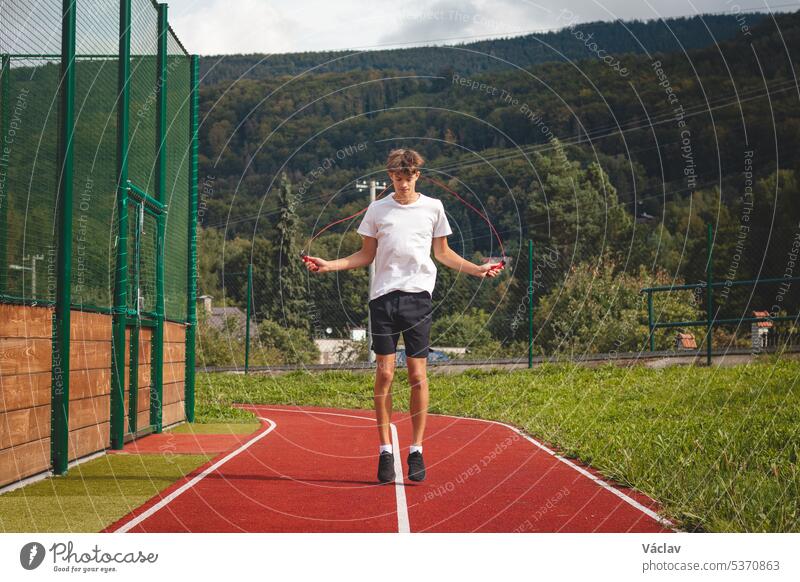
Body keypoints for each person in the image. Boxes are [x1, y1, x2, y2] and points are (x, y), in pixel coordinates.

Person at [302, 148, 504, 483]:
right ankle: (384, 450)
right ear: (390, 176)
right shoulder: (377, 209)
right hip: (382, 299)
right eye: (397, 177)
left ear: (417, 175)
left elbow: (443, 253)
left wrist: (476, 270)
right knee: (384, 373)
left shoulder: (433, 208)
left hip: (418, 299)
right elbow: (366, 255)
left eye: (408, 176)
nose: (403, 183)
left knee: (417, 374)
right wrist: (330, 264)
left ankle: (416, 450)